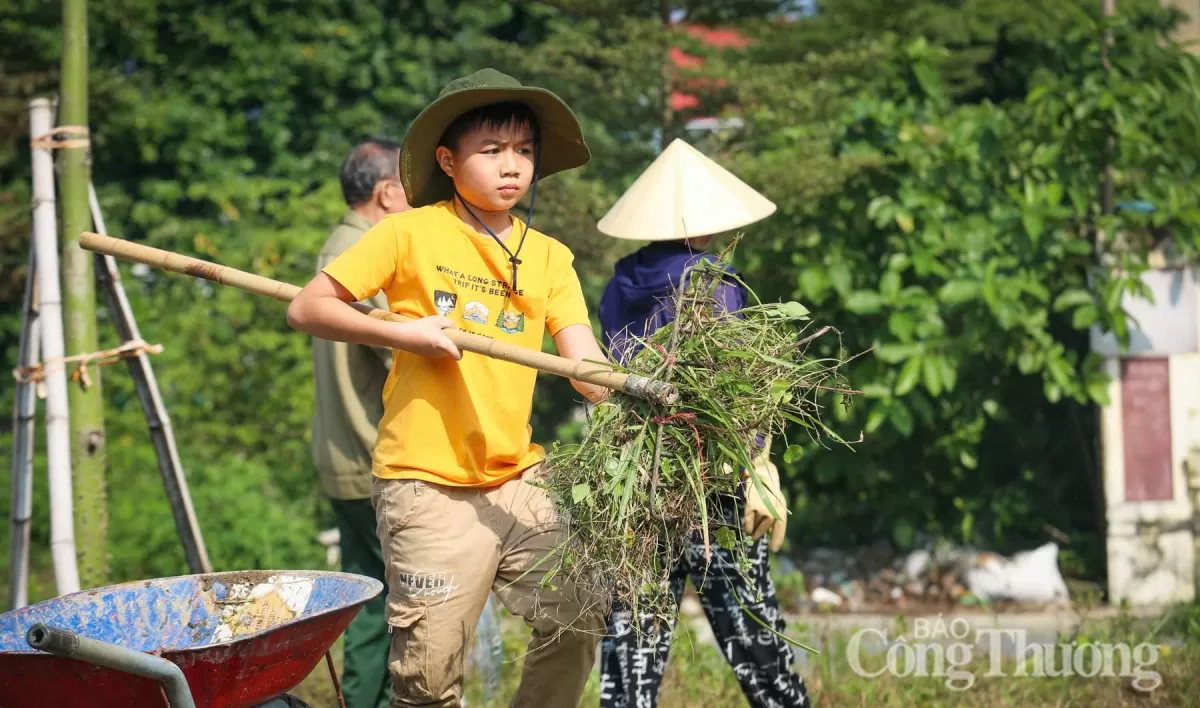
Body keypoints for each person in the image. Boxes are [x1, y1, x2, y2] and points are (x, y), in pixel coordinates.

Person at [287, 68, 610, 708]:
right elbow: (308, 309)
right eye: (491, 151)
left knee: (577, 614)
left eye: (522, 150)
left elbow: (586, 368)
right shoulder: (411, 233)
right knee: (428, 679)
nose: (510, 166)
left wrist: (649, 391)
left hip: (517, 480)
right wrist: (409, 335)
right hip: (424, 484)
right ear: (448, 160)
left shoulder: (549, 257)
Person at [595, 138, 811, 708]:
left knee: (632, 650)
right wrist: (758, 463)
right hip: (713, 479)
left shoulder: (618, 285)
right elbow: (728, 388)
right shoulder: (713, 282)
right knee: (755, 640)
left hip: (636, 477)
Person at [311, 138, 409, 708]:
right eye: (410, 185)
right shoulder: (366, 258)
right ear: (387, 193)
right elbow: (404, 358)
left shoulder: (335, 246)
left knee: (370, 605)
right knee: (410, 606)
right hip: (376, 456)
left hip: (340, 455)